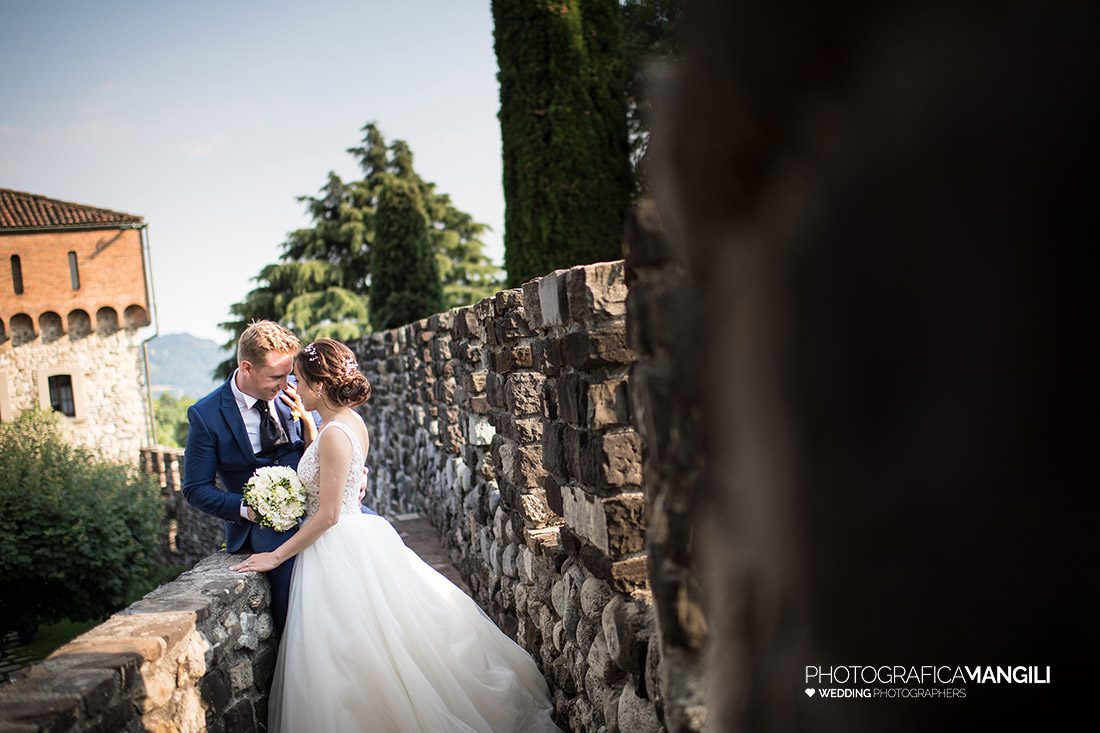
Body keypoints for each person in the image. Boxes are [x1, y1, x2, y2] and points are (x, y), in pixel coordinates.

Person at [230, 339, 561, 733]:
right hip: (358, 540)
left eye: (299, 381)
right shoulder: (346, 422)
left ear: (319, 386)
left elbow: (329, 514)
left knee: (352, 654)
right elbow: (323, 467)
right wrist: (305, 421)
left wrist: (276, 556)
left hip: (336, 549)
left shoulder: (335, 434)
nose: (294, 389)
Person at [182, 321, 374, 634]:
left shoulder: (299, 395)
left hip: (316, 505)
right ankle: (295, 641)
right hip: (262, 521)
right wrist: (249, 508)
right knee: (289, 565)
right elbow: (195, 489)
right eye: (277, 376)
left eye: (290, 374)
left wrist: (358, 474)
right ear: (247, 367)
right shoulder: (206, 415)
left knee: (366, 537)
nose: (289, 384)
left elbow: (332, 445)